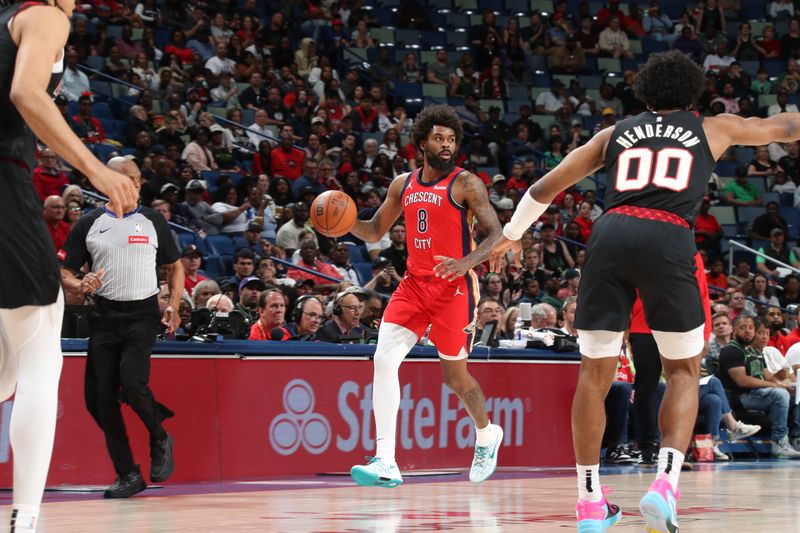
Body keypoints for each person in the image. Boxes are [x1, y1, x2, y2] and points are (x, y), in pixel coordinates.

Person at [489, 50, 800, 533]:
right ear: (693, 93)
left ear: (644, 92)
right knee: (683, 369)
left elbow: (545, 188)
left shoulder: (615, 133)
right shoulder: (714, 127)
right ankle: (665, 487)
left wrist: (511, 233)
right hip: (667, 234)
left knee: (594, 375)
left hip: (610, 234)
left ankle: (590, 502)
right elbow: (783, 127)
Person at [0, 1, 137, 529]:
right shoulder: (46, 15)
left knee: (7, 371)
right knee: (41, 356)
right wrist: (98, 171)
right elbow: (25, 92)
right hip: (4, 181)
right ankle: (25, 519)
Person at [346, 105, 504, 489]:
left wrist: (467, 263)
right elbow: (373, 230)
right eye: (439, 138)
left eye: (451, 139)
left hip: (454, 290)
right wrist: (342, 223)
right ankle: (386, 459)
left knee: (455, 378)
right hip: (414, 285)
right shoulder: (403, 184)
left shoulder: (467, 184)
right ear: (421, 144)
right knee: (384, 359)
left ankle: (486, 435)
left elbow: (496, 233)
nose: (446, 145)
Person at [61, 157, 183, 499]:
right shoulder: (89, 223)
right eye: (129, 177)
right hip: (103, 315)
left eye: (138, 178)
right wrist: (79, 282)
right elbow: (64, 271)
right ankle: (128, 474)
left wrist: (173, 303)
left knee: (131, 382)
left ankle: (158, 435)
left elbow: (175, 267)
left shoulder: (153, 219)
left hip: (142, 315)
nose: (136, 183)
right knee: (98, 400)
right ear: (107, 179)